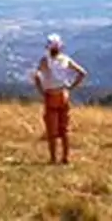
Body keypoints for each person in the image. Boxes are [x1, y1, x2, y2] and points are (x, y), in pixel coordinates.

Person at [32, 33, 87, 165]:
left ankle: (53, 158)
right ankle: (66, 158)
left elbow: (37, 76)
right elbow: (82, 73)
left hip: (51, 95)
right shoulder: (65, 59)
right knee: (64, 129)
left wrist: (41, 91)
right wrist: (71, 87)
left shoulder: (45, 61)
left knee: (52, 130)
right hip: (64, 94)